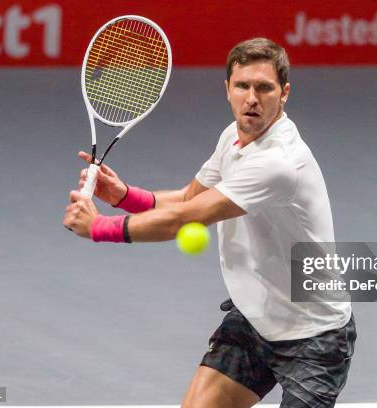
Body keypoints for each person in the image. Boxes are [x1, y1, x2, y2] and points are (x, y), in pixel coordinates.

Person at [63, 37, 356, 408]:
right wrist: (124, 196)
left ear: (284, 94)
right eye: (242, 86)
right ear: (227, 90)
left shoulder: (278, 163)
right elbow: (189, 198)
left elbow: (188, 217)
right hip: (255, 319)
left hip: (314, 336)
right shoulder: (233, 137)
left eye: (264, 88)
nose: (252, 97)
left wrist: (99, 228)